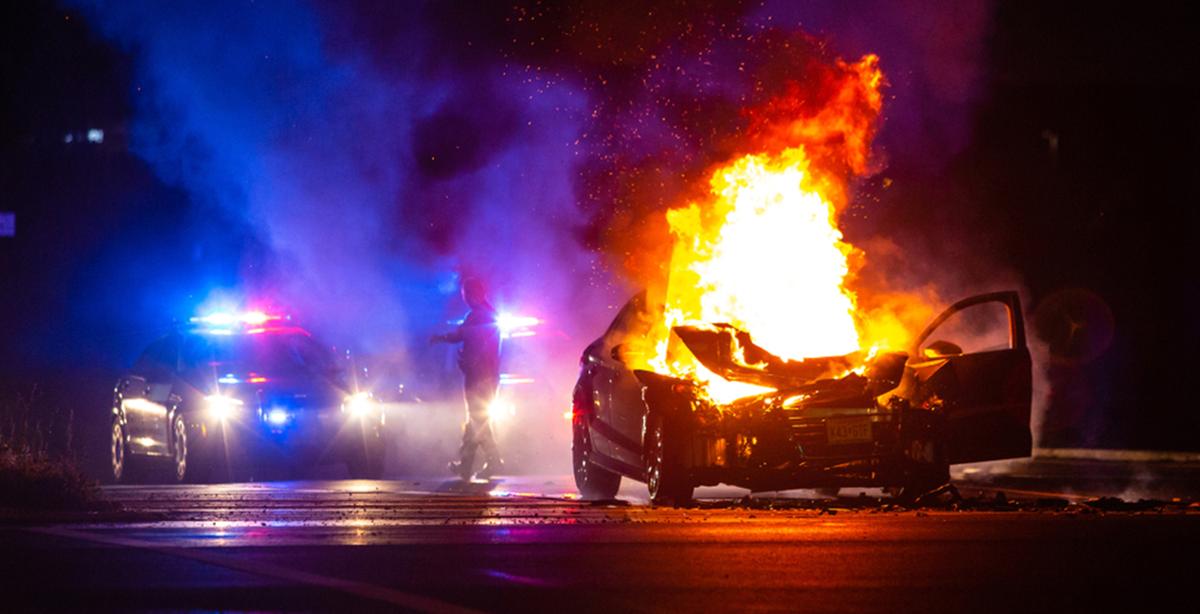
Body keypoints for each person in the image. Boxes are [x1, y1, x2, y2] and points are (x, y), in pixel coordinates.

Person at [431, 277, 503, 480]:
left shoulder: (478, 316)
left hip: (479, 377)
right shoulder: (488, 315)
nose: (465, 299)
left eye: (466, 294)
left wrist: (441, 338)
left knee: (477, 419)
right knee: (477, 420)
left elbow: (462, 336)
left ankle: (486, 459)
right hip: (485, 376)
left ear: (475, 294)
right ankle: (473, 463)